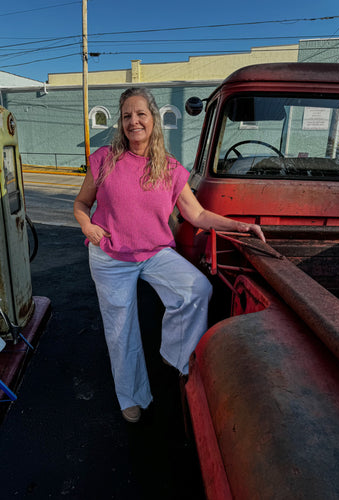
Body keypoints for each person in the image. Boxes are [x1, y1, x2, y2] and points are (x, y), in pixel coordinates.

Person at [74, 87, 265, 423]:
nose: (134, 121)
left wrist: (239, 226)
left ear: (153, 119)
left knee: (197, 289)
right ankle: (131, 396)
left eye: (140, 114)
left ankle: (173, 353)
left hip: (154, 252)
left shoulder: (171, 169)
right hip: (109, 256)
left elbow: (199, 215)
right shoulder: (104, 159)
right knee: (121, 331)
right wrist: (87, 226)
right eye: (127, 116)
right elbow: (80, 205)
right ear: (121, 123)